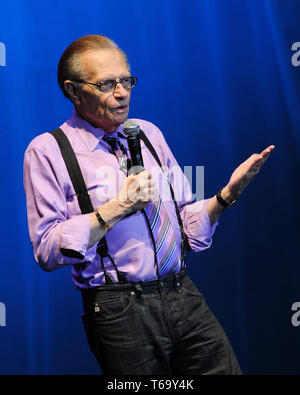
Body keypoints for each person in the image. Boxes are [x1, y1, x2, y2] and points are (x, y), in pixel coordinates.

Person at [23, 34, 274, 375]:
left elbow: (186, 224)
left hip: (181, 290)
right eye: (107, 84)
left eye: (126, 80)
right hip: (119, 307)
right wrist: (116, 207)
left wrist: (224, 196)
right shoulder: (48, 151)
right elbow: (47, 250)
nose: (122, 92)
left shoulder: (147, 133)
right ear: (72, 90)